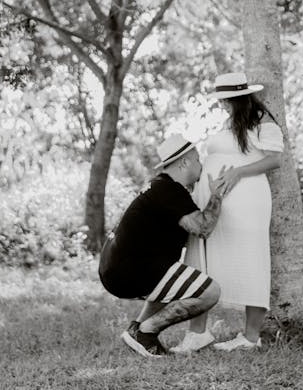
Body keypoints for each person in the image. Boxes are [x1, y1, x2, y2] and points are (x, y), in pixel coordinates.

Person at [172, 72, 284, 354]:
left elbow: (275, 159)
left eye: (226, 99)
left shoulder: (261, 120)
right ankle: (197, 333)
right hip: (212, 197)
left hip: (247, 199)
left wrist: (237, 172)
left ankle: (250, 337)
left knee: (250, 258)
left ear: (239, 98)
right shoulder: (227, 121)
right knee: (201, 259)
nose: (222, 104)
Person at [98, 132, 231, 358]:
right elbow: (203, 228)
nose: (200, 165)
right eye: (197, 160)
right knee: (209, 292)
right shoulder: (170, 190)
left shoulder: (160, 187)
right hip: (129, 269)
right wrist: (216, 195)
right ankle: (146, 332)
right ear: (184, 162)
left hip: (117, 267)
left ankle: (136, 330)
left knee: (170, 280)